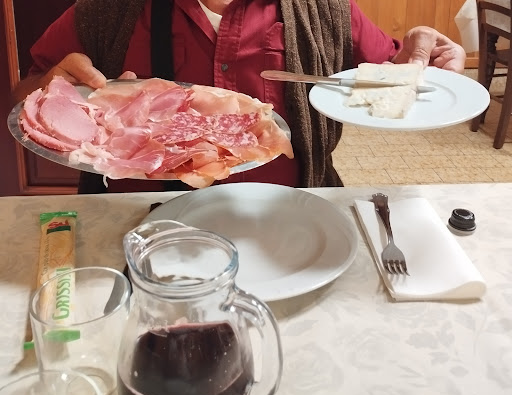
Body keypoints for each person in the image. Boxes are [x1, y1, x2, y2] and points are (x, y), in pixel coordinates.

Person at [12, 0, 466, 193]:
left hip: (288, 220)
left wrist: (423, 58)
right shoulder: (106, 11)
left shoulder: (325, 9)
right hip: (140, 225)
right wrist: (51, 88)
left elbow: (388, 78)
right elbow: (24, 97)